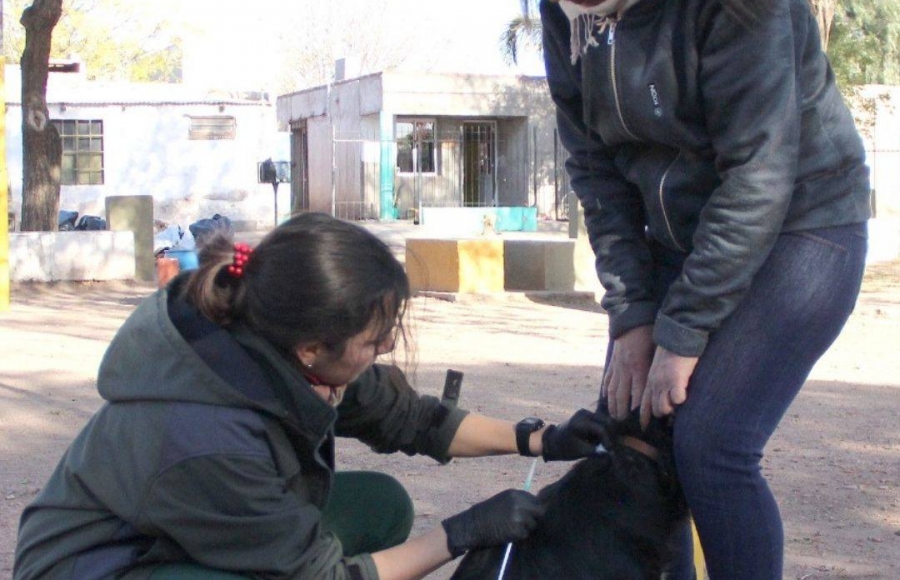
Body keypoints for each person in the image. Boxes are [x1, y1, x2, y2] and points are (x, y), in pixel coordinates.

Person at [13, 213, 608, 580]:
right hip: (105, 565)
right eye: (374, 338)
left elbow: (412, 419)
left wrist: (542, 439)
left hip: (177, 533)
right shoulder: (207, 437)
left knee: (381, 506)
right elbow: (320, 577)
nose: (387, 346)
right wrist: (460, 533)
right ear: (311, 347)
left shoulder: (281, 342)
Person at [540, 0, 871, 579]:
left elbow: (757, 175)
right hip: (678, 237)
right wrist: (633, 314)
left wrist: (682, 333)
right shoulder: (565, 11)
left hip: (801, 222)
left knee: (711, 448)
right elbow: (594, 168)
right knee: (632, 439)